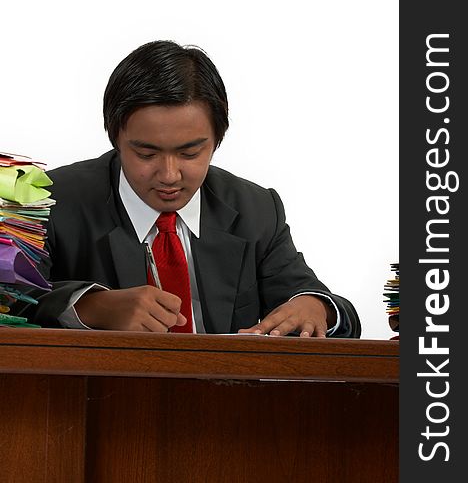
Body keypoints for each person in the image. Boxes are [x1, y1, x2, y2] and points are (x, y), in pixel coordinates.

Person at [29, 40, 361, 337]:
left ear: (217, 139)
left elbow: (322, 305)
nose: (170, 174)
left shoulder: (256, 209)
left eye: (190, 153)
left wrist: (316, 307)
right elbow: (12, 302)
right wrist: (92, 307)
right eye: (146, 154)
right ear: (115, 138)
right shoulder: (49, 201)